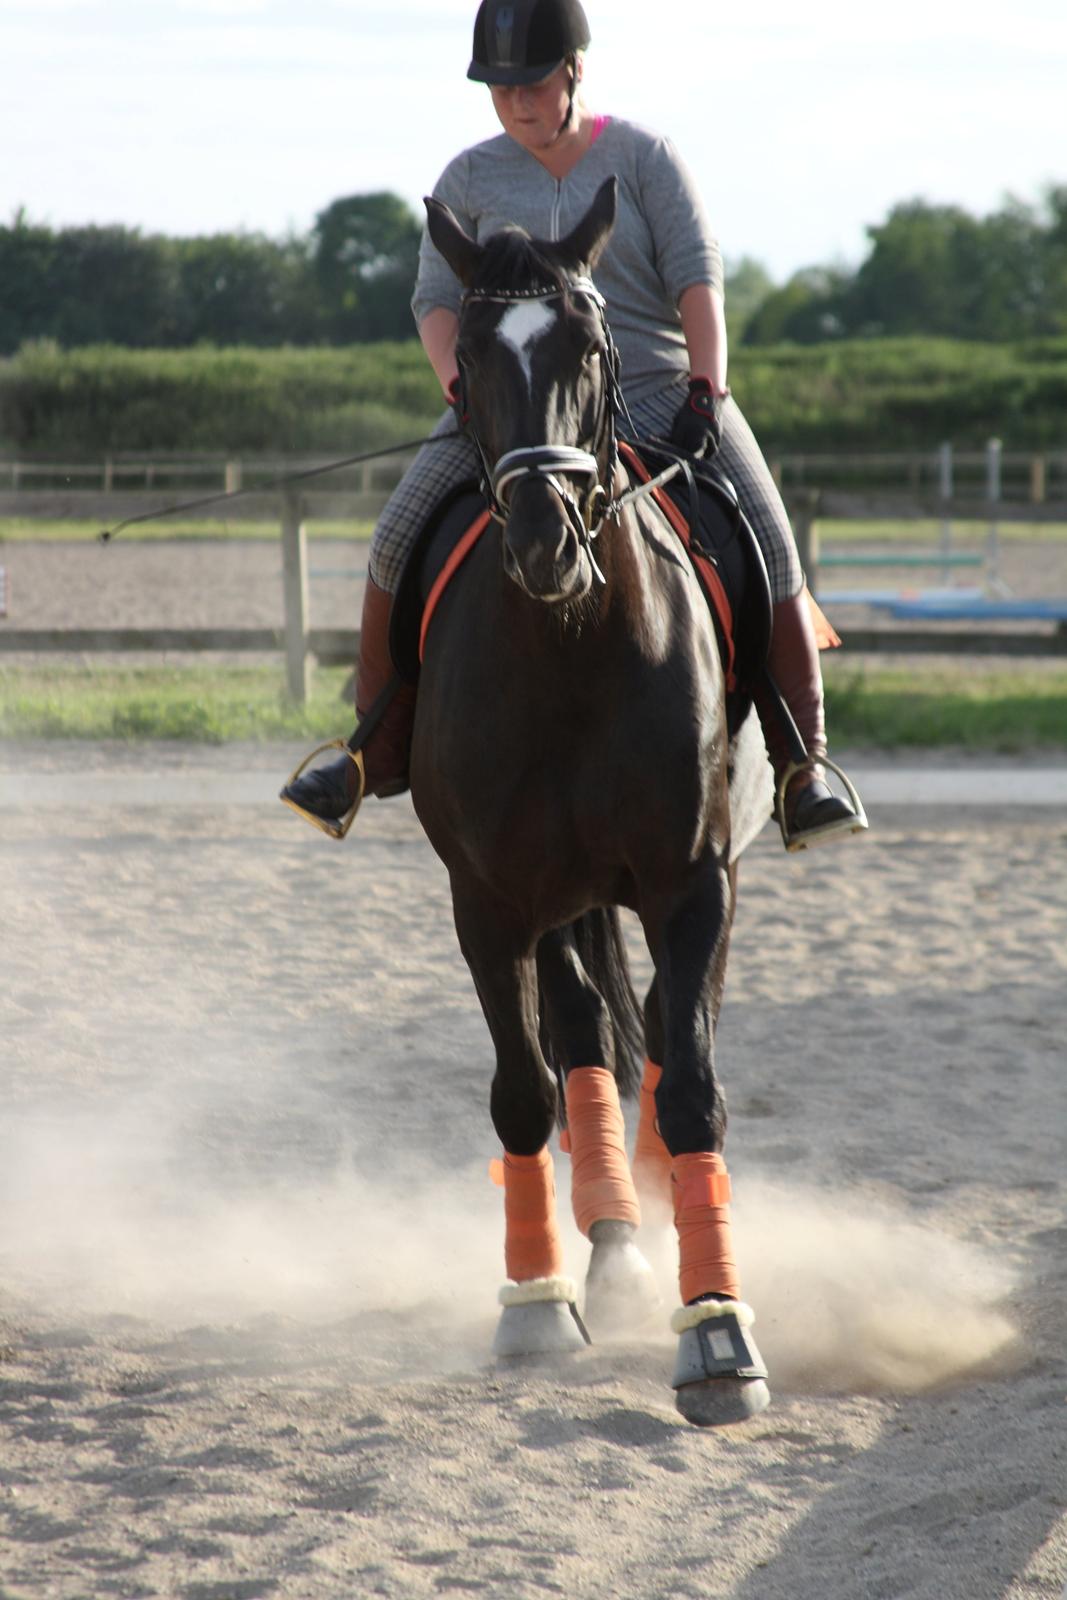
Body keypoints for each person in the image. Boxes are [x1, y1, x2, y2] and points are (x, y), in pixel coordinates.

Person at [285, 0, 865, 850]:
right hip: (513, 405)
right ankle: (367, 750)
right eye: (499, 87)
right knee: (396, 534)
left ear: (575, 71)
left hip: (662, 386)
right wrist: (461, 390)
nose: (516, 101)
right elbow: (434, 303)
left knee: (772, 543)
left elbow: (698, 282)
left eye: (532, 82)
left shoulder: (644, 158)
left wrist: (709, 388)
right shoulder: (468, 180)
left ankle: (802, 764)